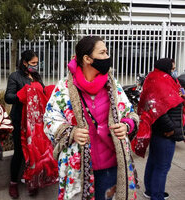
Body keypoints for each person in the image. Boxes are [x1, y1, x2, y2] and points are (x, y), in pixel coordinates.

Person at [43, 36, 139, 200]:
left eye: (107, 52)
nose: (107, 56)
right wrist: (71, 132)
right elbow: (49, 119)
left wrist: (127, 125)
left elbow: (130, 113)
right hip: (79, 167)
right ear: (87, 59)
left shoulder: (112, 84)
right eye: (102, 52)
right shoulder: (65, 87)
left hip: (111, 163)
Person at [5, 50, 58, 198]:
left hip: (36, 122)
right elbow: (8, 97)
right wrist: (23, 94)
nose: (35, 66)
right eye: (33, 63)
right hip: (20, 120)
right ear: (24, 62)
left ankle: (33, 182)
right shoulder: (15, 76)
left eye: (37, 63)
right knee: (20, 153)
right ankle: (13, 183)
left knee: (36, 153)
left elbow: (41, 94)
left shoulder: (35, 76)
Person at [132, 58, 184, 200]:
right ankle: (157, 195)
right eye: (173, 68)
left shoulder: (155, 79)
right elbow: (159, 110)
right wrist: (171, 128)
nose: (174, 71)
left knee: (154, 161)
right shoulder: (162, 82)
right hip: (165, 133)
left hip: (157, 131)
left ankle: (150, 191)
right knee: (162, 167)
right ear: (166, 68)